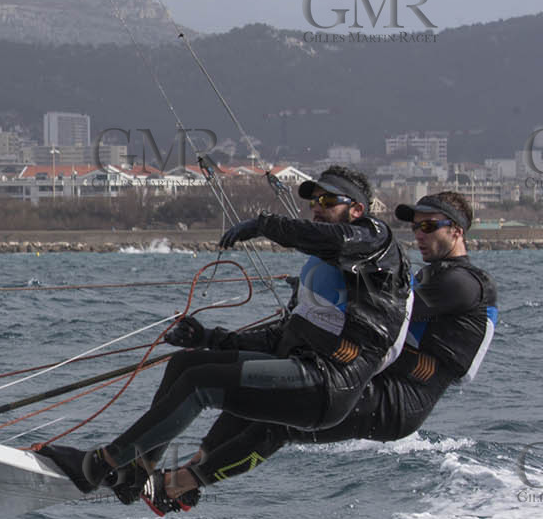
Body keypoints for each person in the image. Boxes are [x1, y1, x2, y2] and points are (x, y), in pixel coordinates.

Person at [36, 165, 412, 514]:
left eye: (329, 201)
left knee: (201, 386)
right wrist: (208, 337)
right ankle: (139, 471)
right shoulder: (322, 269)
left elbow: (326, 238)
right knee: (187, 364)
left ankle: (99, 465)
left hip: (330, 383)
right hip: (303, 370)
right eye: (314, 200)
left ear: (357, 210)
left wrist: (265, 225)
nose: (317, 207)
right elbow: (282, 336)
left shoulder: (377, 240)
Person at [150, 191, 496, 503]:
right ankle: (195, 469)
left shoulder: (463, 283)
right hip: (378, 381)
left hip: (400, 400)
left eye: (429, 226)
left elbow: (386, 307)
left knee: (281, 421)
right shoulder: (431, 276)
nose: (419, 234)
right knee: (260, 388)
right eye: (416, 226)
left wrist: (322, 295)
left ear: (457, 230)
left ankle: (181, 482)